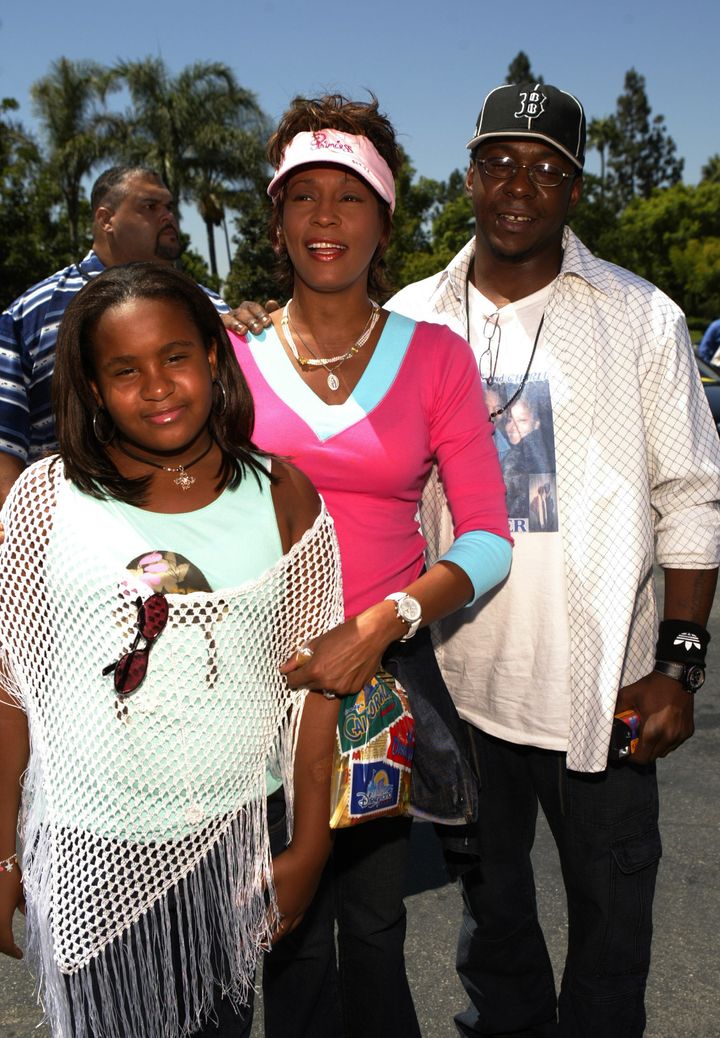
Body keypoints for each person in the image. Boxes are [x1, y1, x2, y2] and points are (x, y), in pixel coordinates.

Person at [386, 82, 720, 1037]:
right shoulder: (413, 318)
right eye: (500, 162)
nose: (518, 185)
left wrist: (679, 668)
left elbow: (692, 493)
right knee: (494, 928)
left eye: (545, 168)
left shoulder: (640, 317)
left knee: (613, 932)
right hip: (460, 684)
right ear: (470, 177)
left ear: (575, 189)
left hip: (601, 688)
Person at [228, 94, 512, 1038]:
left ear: (385, 219)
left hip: (381, 684)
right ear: (274, 219)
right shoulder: (231, 359)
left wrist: (381, 625)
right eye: (301, 196)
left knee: (376, 927)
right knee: (285, 932)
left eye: (349, 197)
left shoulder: (435, 358)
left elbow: (485, 539)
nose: (323, 218)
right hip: (255, 686)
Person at [0, 263, 345, 1038]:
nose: (156, 385)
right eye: (125, 370)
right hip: (90, 847)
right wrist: (1, 857)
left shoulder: (283, 495)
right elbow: (10, 690)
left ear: (216, 358)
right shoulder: (45, 499)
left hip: (228, 845)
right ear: (91, 388)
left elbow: (316, 685)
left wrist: (312, 844)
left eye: (176, 357)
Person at [0, 165, 239, 507]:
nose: (167, 216)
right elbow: (4, 443)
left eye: (169, 207)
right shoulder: (32, 313)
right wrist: (21, 531)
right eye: (149, 207)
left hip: (199, 515)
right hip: (67, 530)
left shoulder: (211, 307)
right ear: (105, 219)